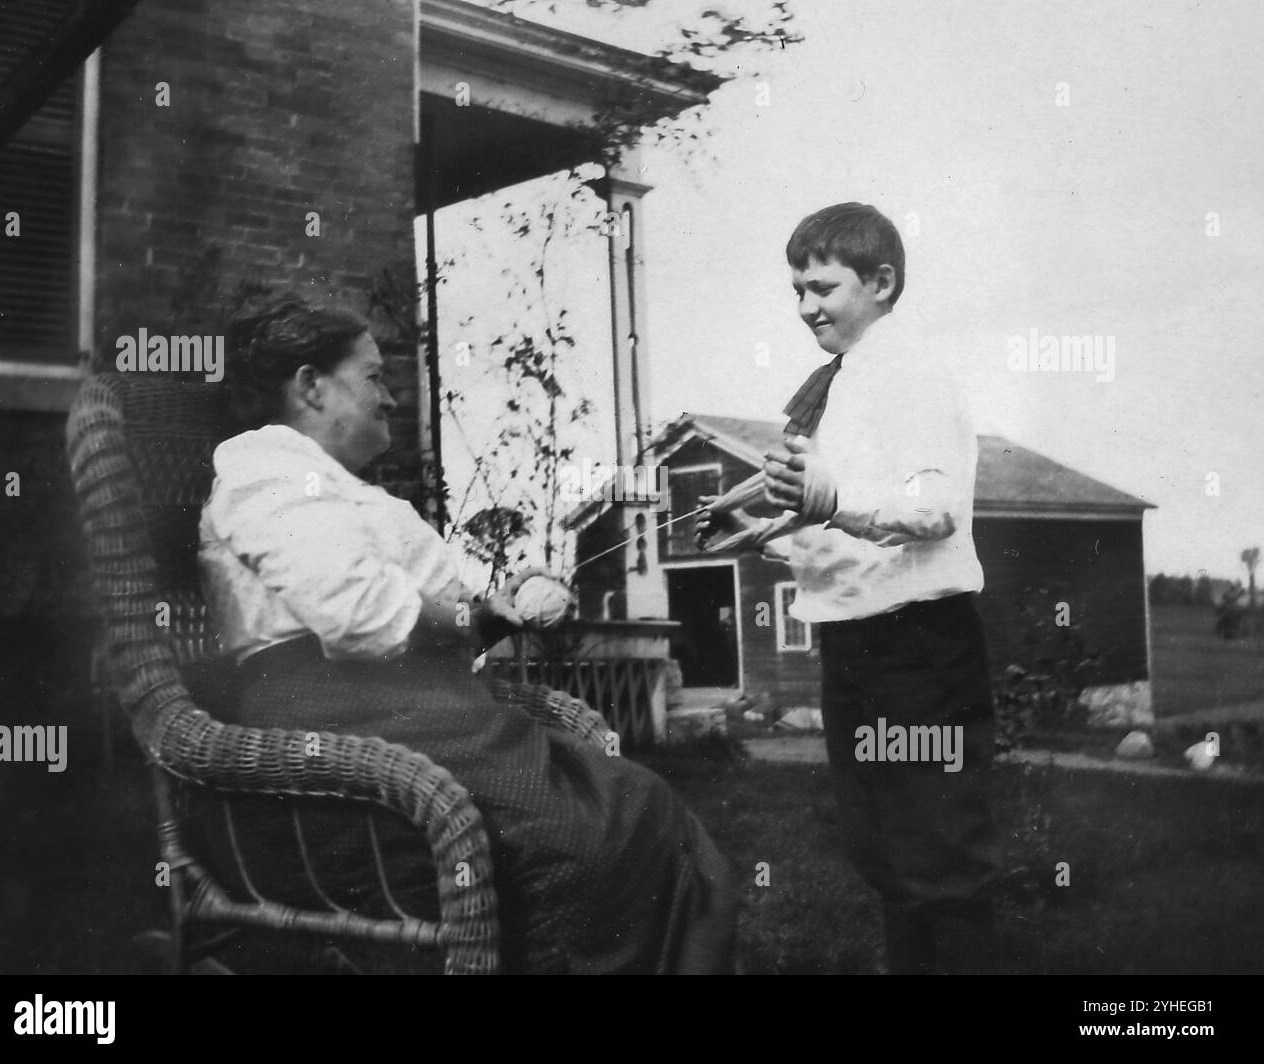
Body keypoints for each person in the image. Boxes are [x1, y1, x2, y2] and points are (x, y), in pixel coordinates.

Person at [196, 294, 736, 974]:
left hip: (408, 709)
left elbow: (419, 620)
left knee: (644, 810)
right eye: (372, 376)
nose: (391, 398)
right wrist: (469, 616)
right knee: (606, 830)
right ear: (309, 385)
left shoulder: (335, 487)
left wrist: (493, 610)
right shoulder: (263, 465)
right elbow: (360, 614)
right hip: (331, 716)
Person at [698, 203, 1003, 974]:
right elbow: (829, 521)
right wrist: (760, 525)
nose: (805, 307)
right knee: (888, 859)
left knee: (938, 860)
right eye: (796, 290)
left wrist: (829, 503)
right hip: (859, 649)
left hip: (919, 651)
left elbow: (931, 512)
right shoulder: (838, 385)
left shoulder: (915, 374)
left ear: (882, 282)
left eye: (822, 287)